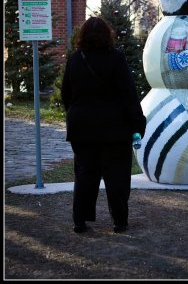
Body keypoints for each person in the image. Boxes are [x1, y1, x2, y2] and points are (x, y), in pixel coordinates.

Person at [61, 16, 146, 234]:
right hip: (114, 128)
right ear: (108, 35)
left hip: (82, 129)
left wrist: (75, 113)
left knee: (85, 175)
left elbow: (66, 94)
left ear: (83, 36)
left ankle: (80, 221)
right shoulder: (116, 58)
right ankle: (119, 221)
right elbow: (128, 94)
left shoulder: (75, 59)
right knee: (116, 176)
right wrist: (137, 123)